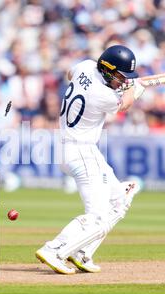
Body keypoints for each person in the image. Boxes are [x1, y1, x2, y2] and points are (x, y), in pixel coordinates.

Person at [35, 45, 146, 274]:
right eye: (121, 77)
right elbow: (124, 103)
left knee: (121, 197)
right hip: (81, 152)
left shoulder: (85, 66)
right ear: (106, 69)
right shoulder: (103, 95)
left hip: (75, 148)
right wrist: (136, 88)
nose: (123, 82)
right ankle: (54, 249)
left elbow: (70, 73)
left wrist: (126, 85)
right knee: (98, 216)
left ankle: (81, 252)